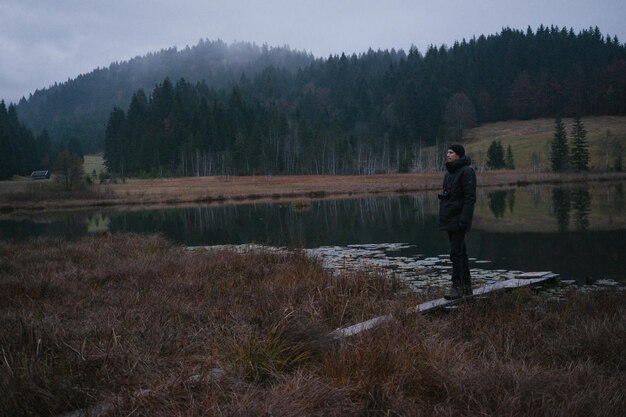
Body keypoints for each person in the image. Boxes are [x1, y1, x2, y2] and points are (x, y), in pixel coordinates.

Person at [438, 143, 476, 300]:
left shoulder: (467, 172)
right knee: (461, 252)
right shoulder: (449, 173)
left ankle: (457, 287)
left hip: (459, 219)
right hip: (449, 217)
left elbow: (470, 198)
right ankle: (466, 286)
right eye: (447, 152)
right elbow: (452, 194)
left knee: (455, 253)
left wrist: (464, 220)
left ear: (459, 155)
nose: (448, 155)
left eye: (451, 152)